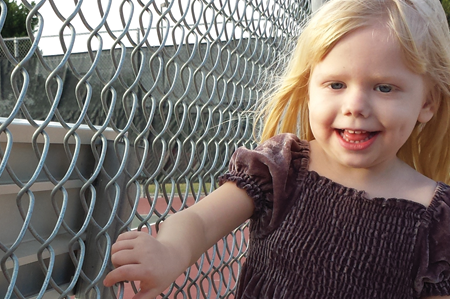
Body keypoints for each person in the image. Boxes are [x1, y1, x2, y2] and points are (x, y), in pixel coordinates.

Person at [103, 0, 450, 298]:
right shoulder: (282, 167)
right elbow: (201, 221)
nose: (355, 105)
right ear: (310, 88)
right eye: (336, 84)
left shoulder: (436, 217)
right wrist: (170, 251)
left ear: (428, 102)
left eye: (385, 88)